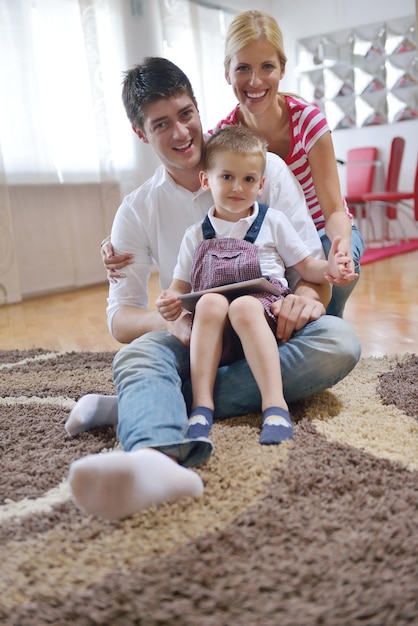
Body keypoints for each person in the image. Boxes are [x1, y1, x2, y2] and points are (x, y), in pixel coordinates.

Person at [66, 57, 361, 521]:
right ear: (142, 134)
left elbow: (307, 268)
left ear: (199, 109)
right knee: (138, 355)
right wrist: (175, 320)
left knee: (338, 343)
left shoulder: (266, 170)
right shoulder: (137, 210)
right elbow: (120, 319)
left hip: (264, 330)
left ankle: (143, 403)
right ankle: (155, 459)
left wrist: (304, 300)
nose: (181, 132)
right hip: (197, 336)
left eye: (186, 114)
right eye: (162, 124)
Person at [156, 126, 355, 446]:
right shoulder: (196, 234)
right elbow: (179, 287)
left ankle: (274, 405)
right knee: (209, 303)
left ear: (261, 184)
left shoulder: (273, 221)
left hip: (262, 315)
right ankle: (201, 406)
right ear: (206, 180)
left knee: (245, 305)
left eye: (249, 179)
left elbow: (307, 268)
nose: (238, 187)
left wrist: (331, 268)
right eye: (227, 177)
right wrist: (169, 302)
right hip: (215, 331)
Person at [212, 9, 365, 318]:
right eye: (243, 68)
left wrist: (340, 249)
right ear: (227, 72)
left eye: (267, 66)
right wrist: (122, 238)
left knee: (317, 311)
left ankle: (326, 332)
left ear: (282, 68)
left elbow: (334, 209)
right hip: (265, 240)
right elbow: (187, 186)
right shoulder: (224, 136)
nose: (254, 81)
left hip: (323, 233)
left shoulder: (307, 122)